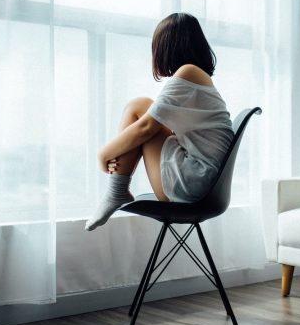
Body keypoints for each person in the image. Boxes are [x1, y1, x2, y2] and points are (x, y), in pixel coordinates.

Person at [85, 13, 234, 231]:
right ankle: (116, 190)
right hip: (203, 182)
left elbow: (147, 128)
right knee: (142, 106)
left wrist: (103, 154)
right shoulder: (197, 77)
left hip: (194, 184)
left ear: (167, 47)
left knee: (138, 109)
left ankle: (116, 190)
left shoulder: (189, 72)